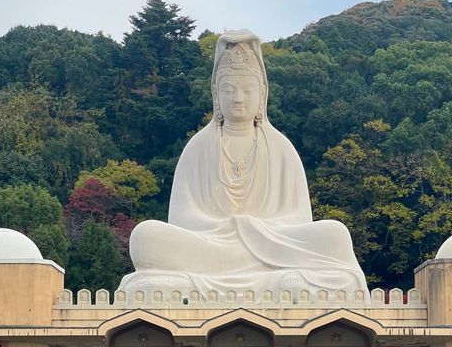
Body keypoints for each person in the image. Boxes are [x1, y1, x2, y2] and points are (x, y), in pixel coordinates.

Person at [118, 30, 369, 301]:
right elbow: (181, 218)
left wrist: (254, 229)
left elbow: (299, 218)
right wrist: (231, 228)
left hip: (273, 249)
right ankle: (283, 284)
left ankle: (189, 285)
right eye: (229, 90)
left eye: (247, 90)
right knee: (145, 236)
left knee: (335, 235)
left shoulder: (281, 148)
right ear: (216, 95)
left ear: (262, 94)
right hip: (213, 247)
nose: (238, 98)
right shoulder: (198, 147)